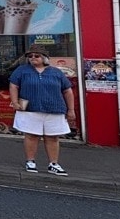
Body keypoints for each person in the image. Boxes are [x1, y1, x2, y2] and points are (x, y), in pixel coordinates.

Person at [8, 43, 76, 176]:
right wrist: (15, 102)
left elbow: (67, 90)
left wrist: (71, 109)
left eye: (37, 56)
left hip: (54, 108)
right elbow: (13, 86)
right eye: (30, 56)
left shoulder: (56, 72)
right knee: (31, 136)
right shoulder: (22, 70)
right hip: (30, 109)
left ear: (44, 58)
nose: (33, 58)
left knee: (53, 137)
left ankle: (53, 164)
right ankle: (30, 161)